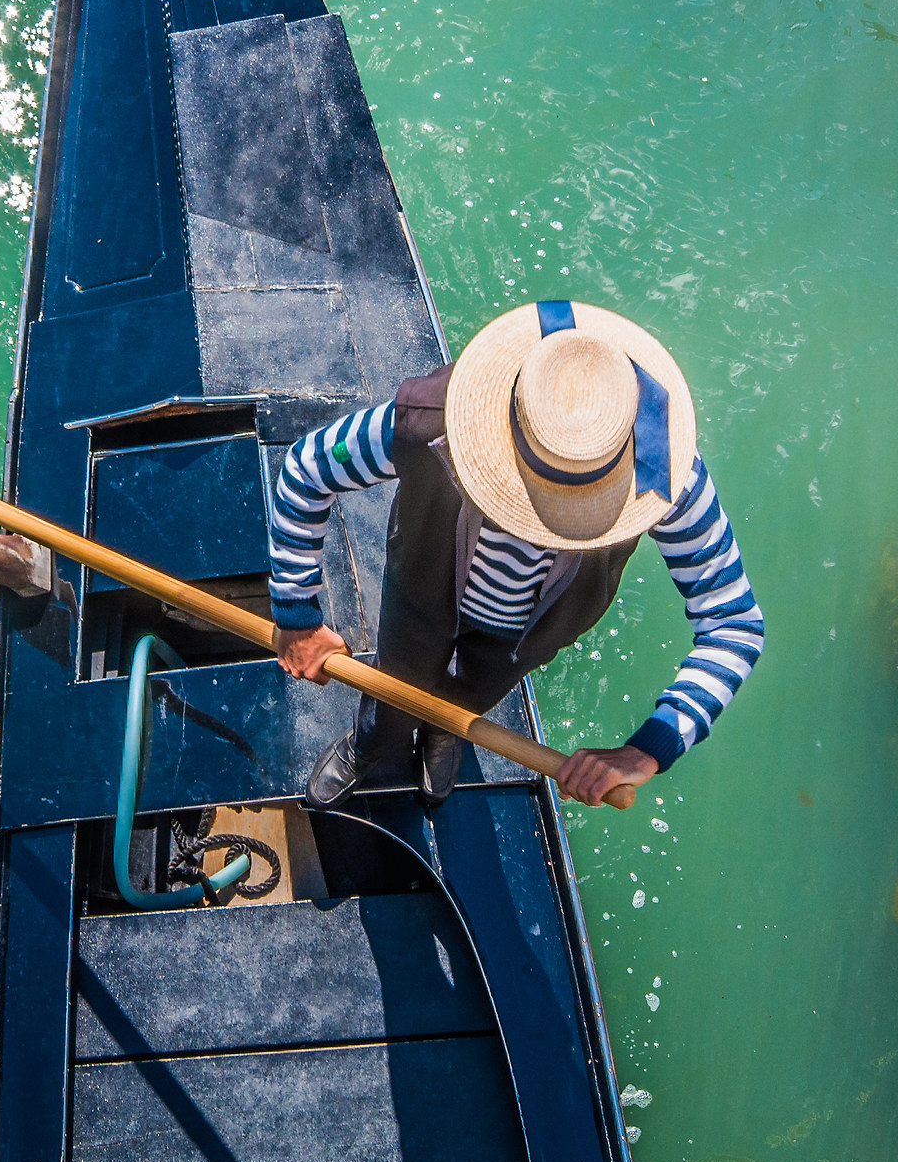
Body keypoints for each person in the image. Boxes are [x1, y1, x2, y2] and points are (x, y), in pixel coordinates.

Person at [267, 299, 764, 810]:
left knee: (473, 694)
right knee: (395, 686)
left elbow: (735, 624)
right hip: (421, 591)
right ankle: (371, 743)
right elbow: (309, 467)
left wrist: (648, 749)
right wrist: (297, 614)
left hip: (527, 634)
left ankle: (446, 730)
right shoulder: (432, 420)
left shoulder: (665, 472)